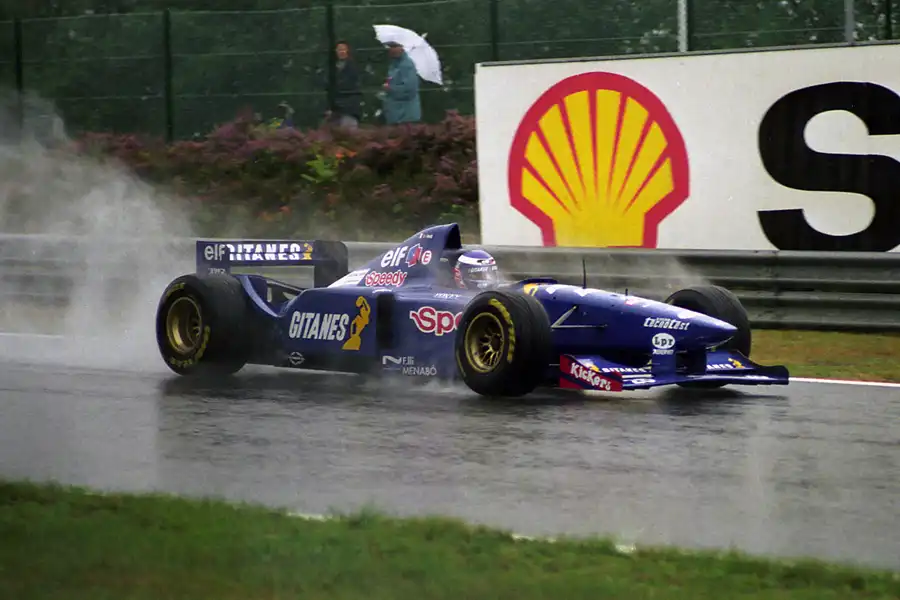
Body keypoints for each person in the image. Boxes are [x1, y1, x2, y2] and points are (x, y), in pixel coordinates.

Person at [381, 41, 421, 125]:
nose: (392, 49)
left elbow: (410, 89)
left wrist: (390, 89)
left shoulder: (407, 65)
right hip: (394, 116)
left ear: (402, 47)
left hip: (405, 117)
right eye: (390, 46)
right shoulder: (393, 65)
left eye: (395, 46)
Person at [326, 41, 362, 130]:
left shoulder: (353, 66)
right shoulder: (331, 67)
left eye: (343, 49)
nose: (341, 52)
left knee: (349, 133)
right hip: (335, 108)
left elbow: (351, 84)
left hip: (349, 107)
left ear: (348, 51)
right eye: (339, 50)